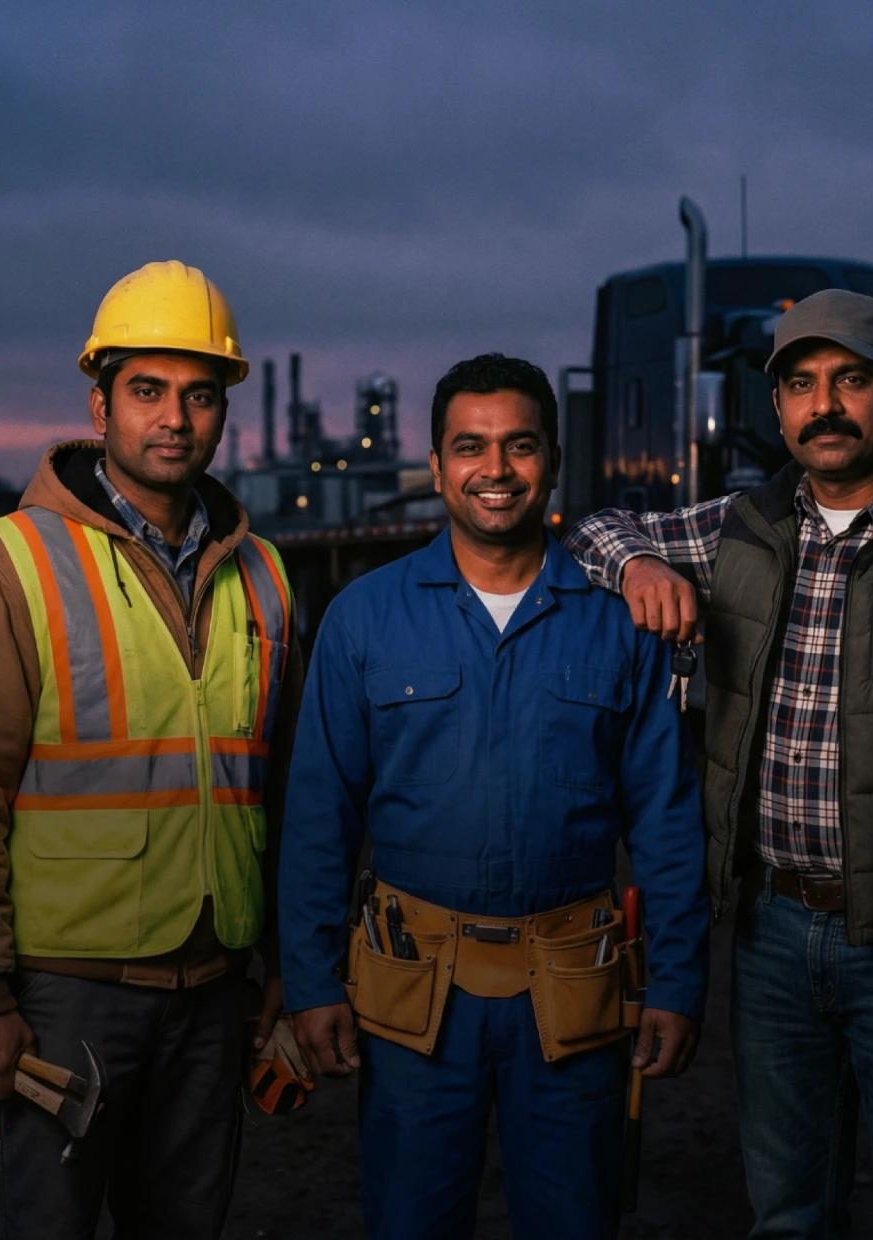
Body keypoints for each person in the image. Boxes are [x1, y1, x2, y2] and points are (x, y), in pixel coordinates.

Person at [564, 289, 873, 1239]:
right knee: (787, 1214)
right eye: (801, 384)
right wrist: (638, 567)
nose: (824, 404)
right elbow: (595, 528)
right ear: (778, 406)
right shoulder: (743, 528)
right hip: (776, 938)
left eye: (850, 380)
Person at [0, 260, 302, 1239]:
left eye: (199, 394)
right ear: (101, 402)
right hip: (60, 999)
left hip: (214, 995)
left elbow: (284, 788)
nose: (175, 417)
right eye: (148, 391)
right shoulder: (11, 564)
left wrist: (291, 963)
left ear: (223, 411)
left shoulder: (265, 575)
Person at [277, 354, 709, 1239]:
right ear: (435, 466)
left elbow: (666, 816)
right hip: (413, 993)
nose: (495, 469)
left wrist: (679, 982)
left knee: (574, 1222)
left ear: (550, 458)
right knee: (411, 1222)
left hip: (572, 990)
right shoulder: (366, 617)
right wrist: (310, 979)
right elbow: (319, 813)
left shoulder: (614, 621)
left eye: (518, 445)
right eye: (469, 446)